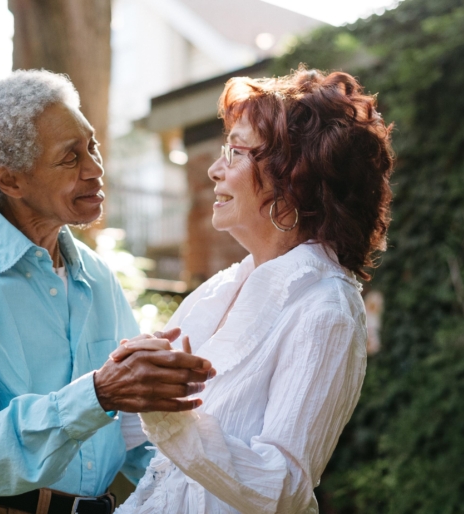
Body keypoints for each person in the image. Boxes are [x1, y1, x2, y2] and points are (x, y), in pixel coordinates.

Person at [0, 70, 214, 514]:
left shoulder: (98, 276)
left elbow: (136, 431)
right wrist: (97, 394)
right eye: (70, 158)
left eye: (92, 146)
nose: (95, 169)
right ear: (10, 180)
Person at [113, 68, 394, 513]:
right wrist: (127, 377)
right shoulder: (218, 291)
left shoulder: (326, 308)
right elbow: (132, 433)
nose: (214, 168)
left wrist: (169, 417)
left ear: (295, 179)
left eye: (237, 151)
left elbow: (281, 487)